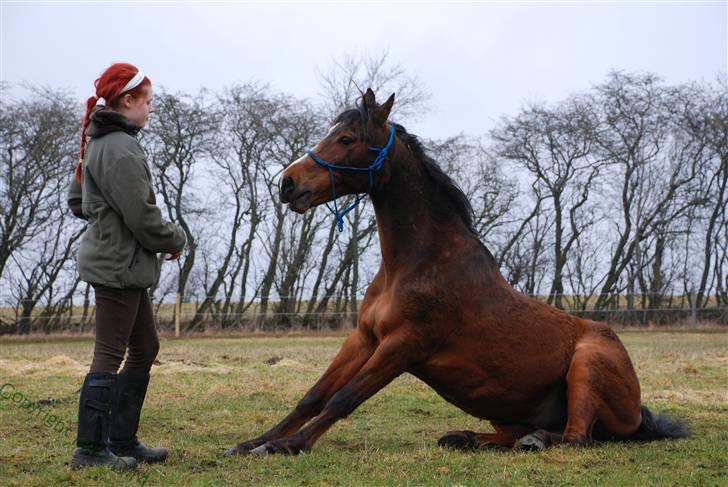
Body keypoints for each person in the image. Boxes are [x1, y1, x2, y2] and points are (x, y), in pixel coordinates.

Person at [67, 63, 186, 470]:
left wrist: (105, 214)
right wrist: (175, 239)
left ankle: (121, 439)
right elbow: (142, 215)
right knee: (109, 353)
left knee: (146, 347)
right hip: (118, 266)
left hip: (125, 265)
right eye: (148, 102)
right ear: (127, 100)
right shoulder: (118, 146)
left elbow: (78, 201)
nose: (152, 109)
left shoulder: (100, 140)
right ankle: (91, 450)